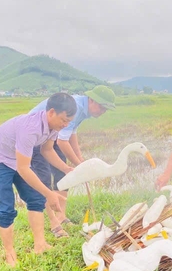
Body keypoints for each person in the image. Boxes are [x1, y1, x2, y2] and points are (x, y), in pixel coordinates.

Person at [0, 92, 77, 266]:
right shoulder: (31, 128)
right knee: (6, 207)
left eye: (69, 122)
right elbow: (24, 168)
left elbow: (47, 150)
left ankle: (40, 245)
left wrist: (65, 168)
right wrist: (50, 193)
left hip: (16, 160)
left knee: (35, 198)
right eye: (64, 120)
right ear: (51, 112)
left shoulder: (53, 128)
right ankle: (10, 253)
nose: (65, 125)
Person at [28, 85, 116, 229]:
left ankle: (60, 215)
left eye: (106, 109)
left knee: (63, 175)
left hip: (52, 133)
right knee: (43, 178)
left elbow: (71, 134)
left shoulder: (82, 109)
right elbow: (62, 142)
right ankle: (53, 223)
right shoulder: (75, 107)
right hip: (35, 136)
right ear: (92, 100)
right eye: (102, 107)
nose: (103, 112)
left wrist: (79, 158)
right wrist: (79, 164)